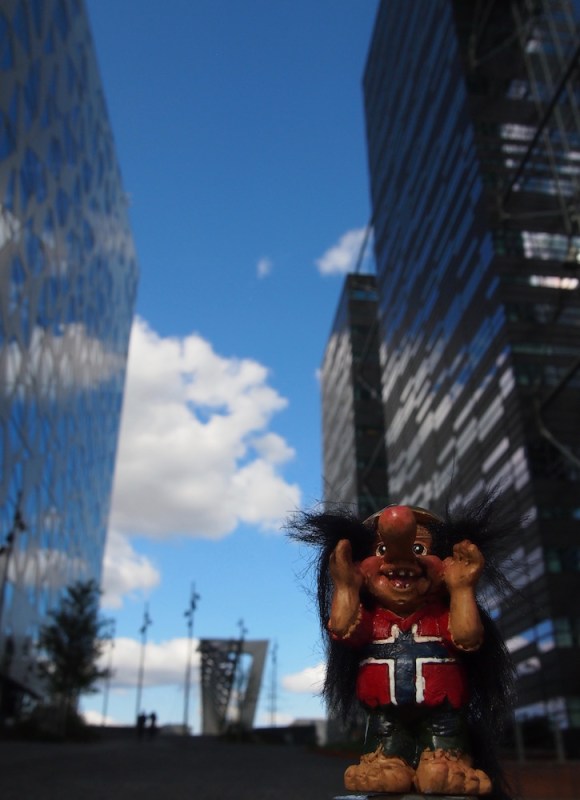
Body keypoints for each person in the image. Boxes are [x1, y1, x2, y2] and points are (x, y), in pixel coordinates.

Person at [289, 491, 516, 798]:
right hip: (385, 712)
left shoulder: (440, 616)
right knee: (385, 764)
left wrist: (462, 590)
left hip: (442, 709)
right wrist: (344, 587)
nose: (401, 557)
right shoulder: (371, 619)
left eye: (420, 548)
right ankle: (386, 760)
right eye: (381, 549)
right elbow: (343, 630)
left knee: (440, 768)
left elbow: (467, 638)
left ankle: (448, 760)